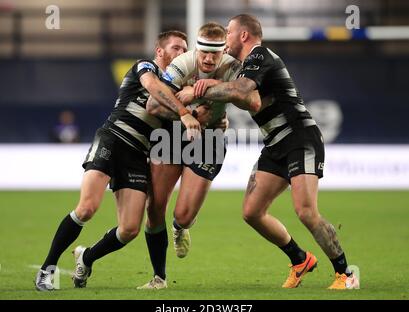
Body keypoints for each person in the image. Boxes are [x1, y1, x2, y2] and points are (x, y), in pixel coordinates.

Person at [177, 14, 359, 290]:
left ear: (244, 35)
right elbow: (249, 100)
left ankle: (346, 274)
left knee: (306, 211)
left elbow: (241, 90)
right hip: (275, 143)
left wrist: (197, 92)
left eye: (228, 32)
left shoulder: (260, 55)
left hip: (299, 136)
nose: (225, 37)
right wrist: (214, 91)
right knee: (252, 212)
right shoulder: (245, 66)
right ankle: (300, 260)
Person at [34, 31, 199, 291]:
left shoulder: (181, 89)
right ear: (160, 52)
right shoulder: (146, 68)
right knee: (87, 208)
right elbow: (153, 89)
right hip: (112, 139)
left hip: (137, 155)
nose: (182, 54)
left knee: (130, 229)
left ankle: (86, 257)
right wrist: (184, 112)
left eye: (185, 49)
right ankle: (47, 269)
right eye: (176, 48)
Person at [137, 22, 259, 290]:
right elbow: (153, 105)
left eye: (214, 54)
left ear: (223, 51)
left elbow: (254, 102)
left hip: (210, 137)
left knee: (182, 215)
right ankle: (159, 277)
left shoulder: (233, 68)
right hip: (171, 133)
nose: (207, 58)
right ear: (196, 48)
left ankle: (181, 227)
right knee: (154, 208)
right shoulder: (182, 64)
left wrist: (212, 86)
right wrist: (189, 112)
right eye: (202, 51)